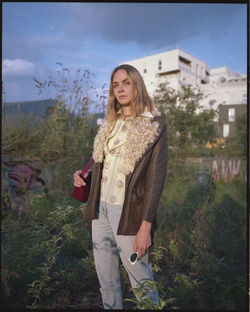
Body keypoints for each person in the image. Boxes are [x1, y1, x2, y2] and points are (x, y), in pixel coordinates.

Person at [74, 64, 167, 309]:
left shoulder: (152, 124)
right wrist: (84, 176)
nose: (120, 89)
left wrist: (145, 227)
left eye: (126, 82)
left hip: (129, 214)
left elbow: (156, 180)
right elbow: (102, 164)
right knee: (107, 282)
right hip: (100, 211)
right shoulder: (109, 124)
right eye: (116, 84)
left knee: (141, 281)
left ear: (137, 85)